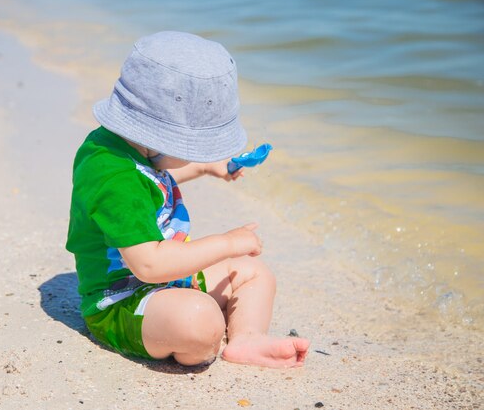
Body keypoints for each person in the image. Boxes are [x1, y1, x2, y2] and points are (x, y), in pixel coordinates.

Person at [66, 31, 310, 368]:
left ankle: (247, 338)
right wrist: (226, 243)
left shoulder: (129, 151)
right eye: (195, 150)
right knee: (200, 321)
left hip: (169, 280)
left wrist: (208, 167)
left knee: (254, 273)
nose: (196, 157)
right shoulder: (112, 174)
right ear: (162, 138)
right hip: (121, 301)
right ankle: (202, 323)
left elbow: (150, 186)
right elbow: (150, 265)